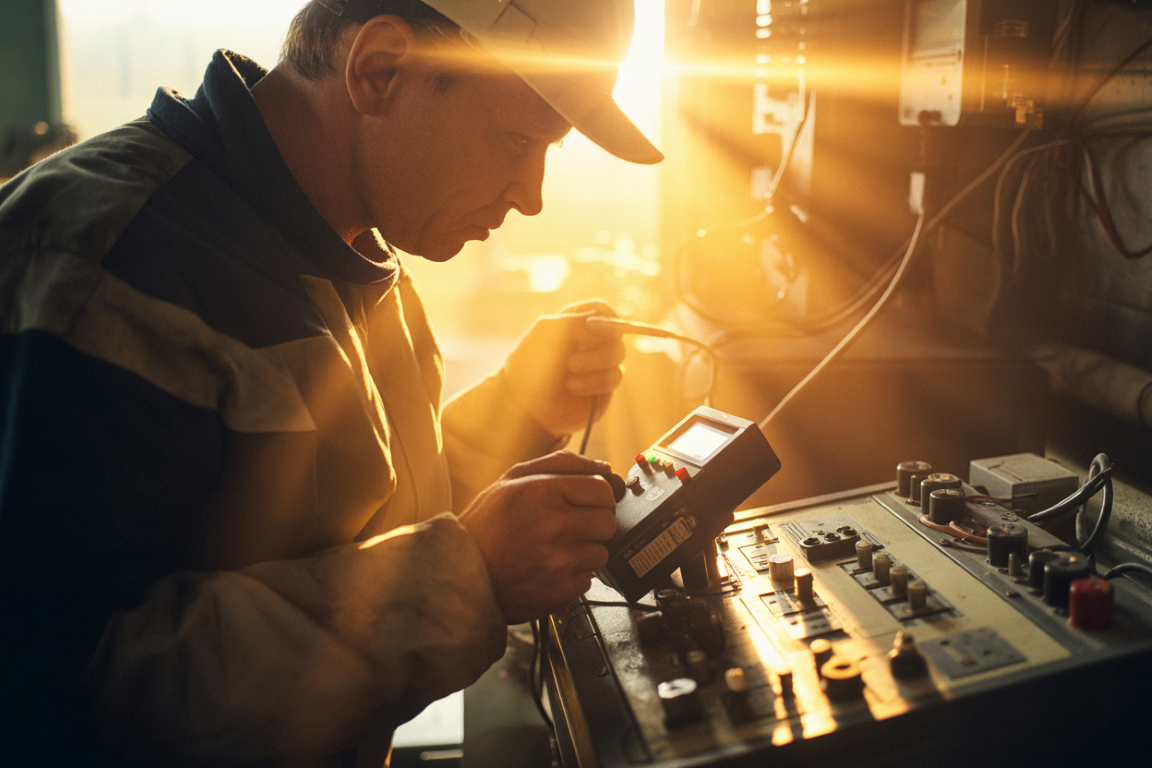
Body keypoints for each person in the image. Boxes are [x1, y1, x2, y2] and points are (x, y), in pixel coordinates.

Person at [0, 0, 662, 766]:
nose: (532, 195)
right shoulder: (100, 261)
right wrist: (466, 577)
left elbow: (351, 527)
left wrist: (518, 405)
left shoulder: (351, 250)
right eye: (517, 141)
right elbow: (60, 696)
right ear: (380, 69)